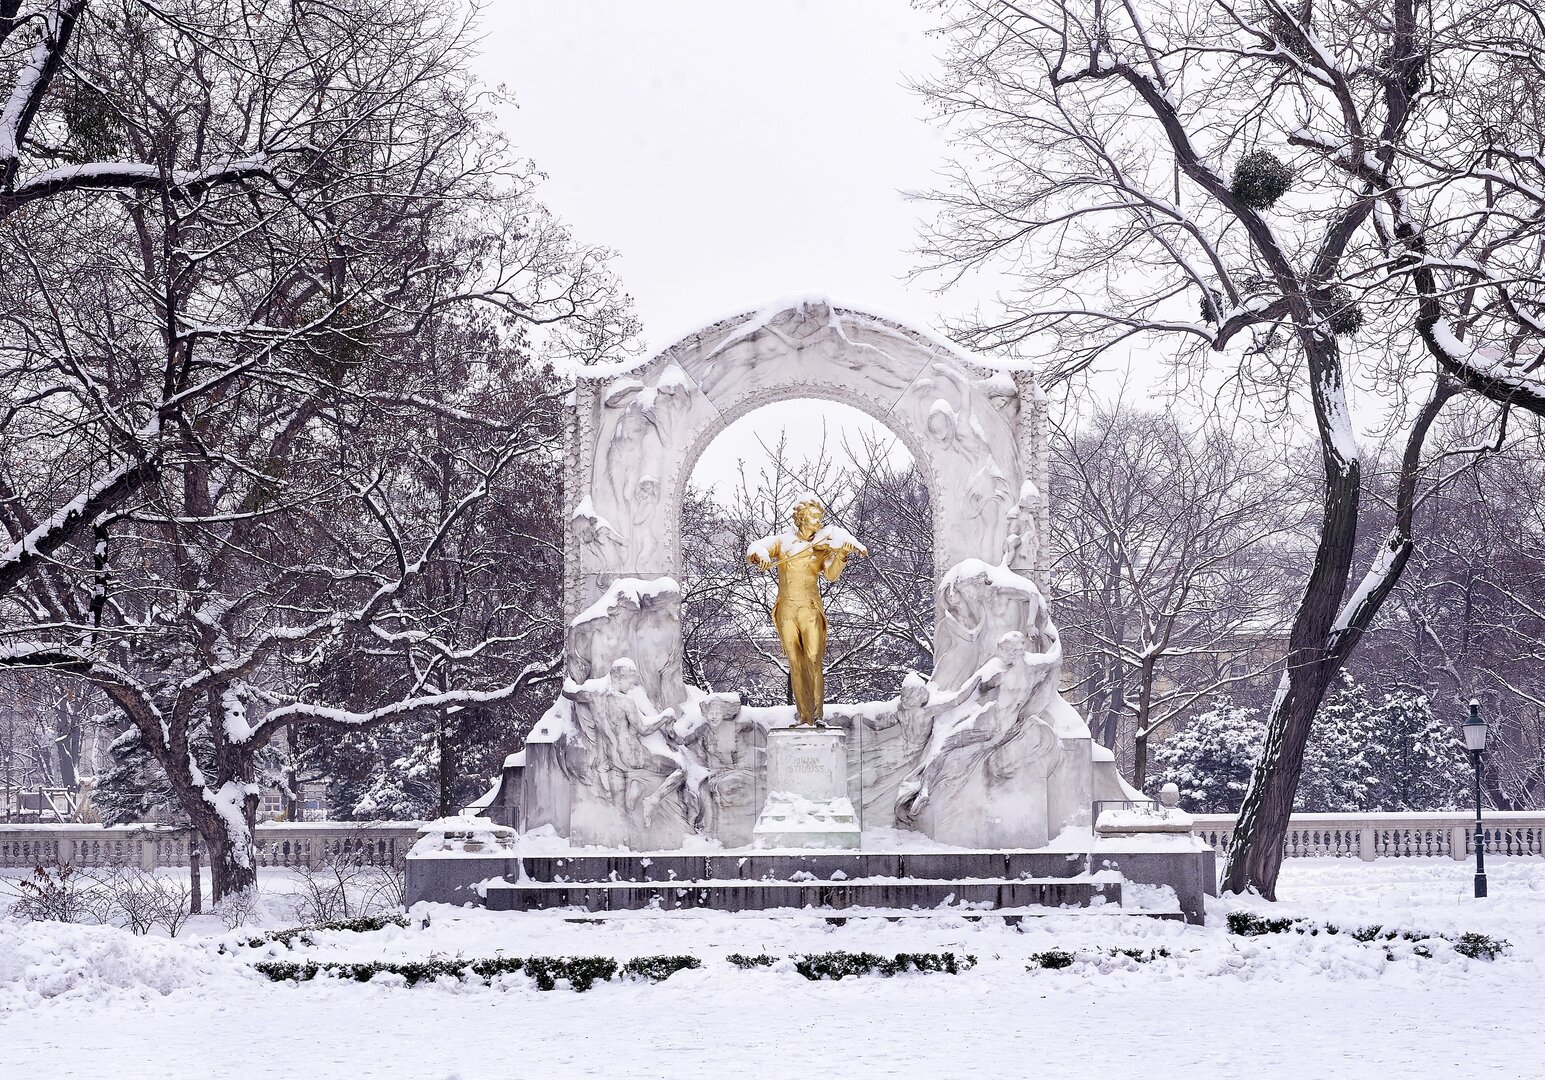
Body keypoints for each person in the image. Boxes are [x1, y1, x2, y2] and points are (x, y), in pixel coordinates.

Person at [746, 497, 866, 725]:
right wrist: (761, 555)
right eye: (814, 517)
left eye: (820, 518)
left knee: (813, 660)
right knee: (795, 662)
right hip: (786, 609)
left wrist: (842, 554)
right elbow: (755, 548)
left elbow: (831, 575)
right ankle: (803, 716)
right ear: (801, 518)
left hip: (810, 608)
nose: (819, 522)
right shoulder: (782, 542)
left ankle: (818, 715)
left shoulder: (822, 547)